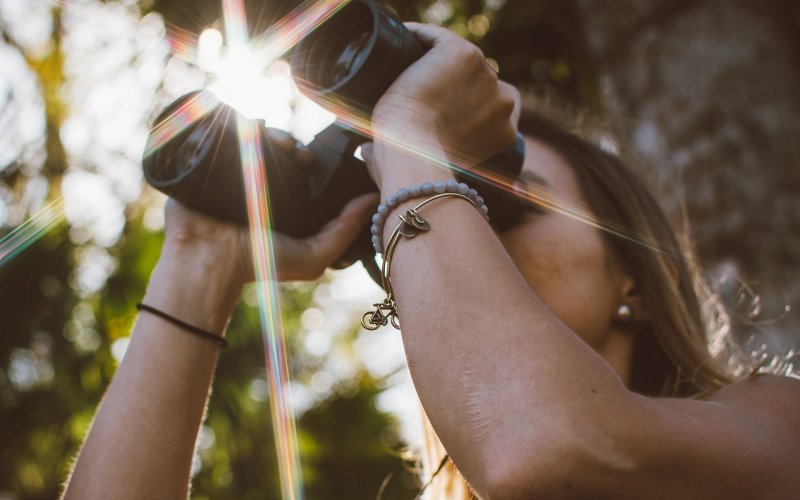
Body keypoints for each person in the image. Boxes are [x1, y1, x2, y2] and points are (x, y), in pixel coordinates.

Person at [62, 23, 799, 499]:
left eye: (502, 202)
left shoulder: (775, 420)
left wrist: (413, 138)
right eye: (439, 198)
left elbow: (547, 450)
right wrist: (200, 265)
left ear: (638, 275)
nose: (463, 225)